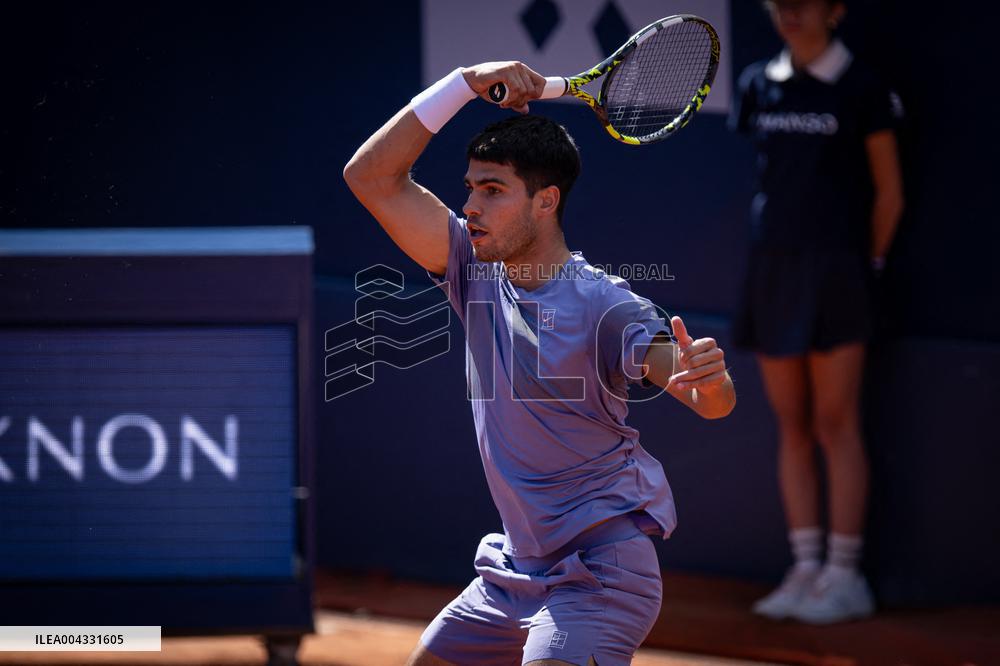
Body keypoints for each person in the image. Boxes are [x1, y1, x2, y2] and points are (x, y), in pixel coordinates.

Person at [344, 62, 736, 665]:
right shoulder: (470, 269)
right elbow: (371, 176)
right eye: (469, 187)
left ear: (545, 201)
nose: (470, 206)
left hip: (601, 575)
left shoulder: (607, 305)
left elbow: (709, 401)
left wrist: (710, 381)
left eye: (492, 190)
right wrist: (464, 83)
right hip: (515, 570)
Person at [729, 0, 904, 624]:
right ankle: (805, 569)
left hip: (839, 273)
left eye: (804, 2)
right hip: (772, 270)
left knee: (836, 422)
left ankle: (844, 575)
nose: (789, 13)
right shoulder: (758, 84)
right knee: (792, 423)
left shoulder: (862, 87)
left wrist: (865, 267)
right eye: (779, 3)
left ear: (836, 9)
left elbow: (889, 194)